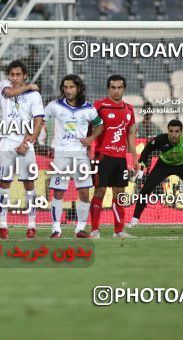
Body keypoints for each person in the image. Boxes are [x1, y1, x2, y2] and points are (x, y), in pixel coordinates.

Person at [44, 74, 104, 238]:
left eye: (71, 87)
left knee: (84, 192)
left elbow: (100, 125)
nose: (68, 90)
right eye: (65, 87)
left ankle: (80, 229)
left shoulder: (88, 108)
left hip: (80, 156)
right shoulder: (54, 106)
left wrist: (91, 139)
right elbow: (40, 120)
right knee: (58, 192)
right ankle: (56, 229)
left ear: (78, 88)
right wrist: (42, 137)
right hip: (61, 155)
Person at [130, 119, 183, 227]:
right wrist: (141, 167)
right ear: (168, 131)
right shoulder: (160, 139)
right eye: (171, 131)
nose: (174, 134)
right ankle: (134, 221)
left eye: (177, 131)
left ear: (181, 132)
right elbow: (147, 150)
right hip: (163, 166)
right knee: (146, 188)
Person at [0, 59, 44, 239]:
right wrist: (30, 86)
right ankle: (3, 224)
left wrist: (27, 141)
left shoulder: (34, 96)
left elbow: (38, 120)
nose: (15, 78)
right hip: (7, 142)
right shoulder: (4, 86)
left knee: (29, 183)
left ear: (24, 75)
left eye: (19, 75)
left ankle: (31, 224)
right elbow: (9, 92)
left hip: (26, 144)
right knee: (4, 183)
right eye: (12, 75)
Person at [90, 74, 139, 239]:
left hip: (120, 158)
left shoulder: (129, 109)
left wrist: (135, 157)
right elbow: (88, 127)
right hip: (102, 156)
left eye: (119, 87)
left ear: (124, 89)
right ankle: (94, 230)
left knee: (120, 193)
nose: (116, 91)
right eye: (113, 87)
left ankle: (118, 231)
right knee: (99, 192)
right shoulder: (99, 106)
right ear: (108, 89)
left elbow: (131, 136)